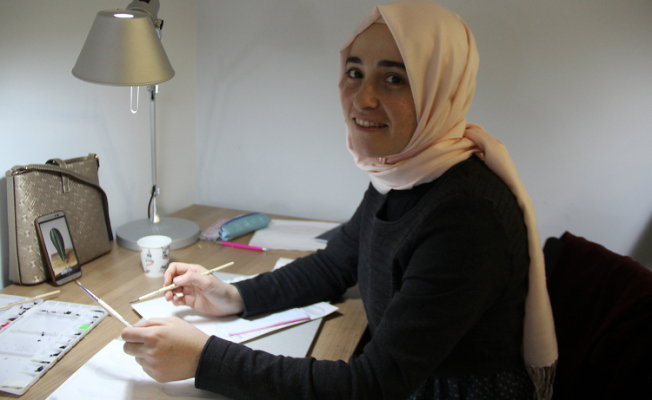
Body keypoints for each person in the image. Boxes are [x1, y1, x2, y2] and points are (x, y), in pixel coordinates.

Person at [121, 1, 558, 399]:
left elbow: (373, 385)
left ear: (439, 89)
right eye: (355, 72)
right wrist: (232, 295)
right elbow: (336, 264)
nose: (363, 98)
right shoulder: (402, 171)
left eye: (394, 78)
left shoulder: (465, 216)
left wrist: (205, 360)